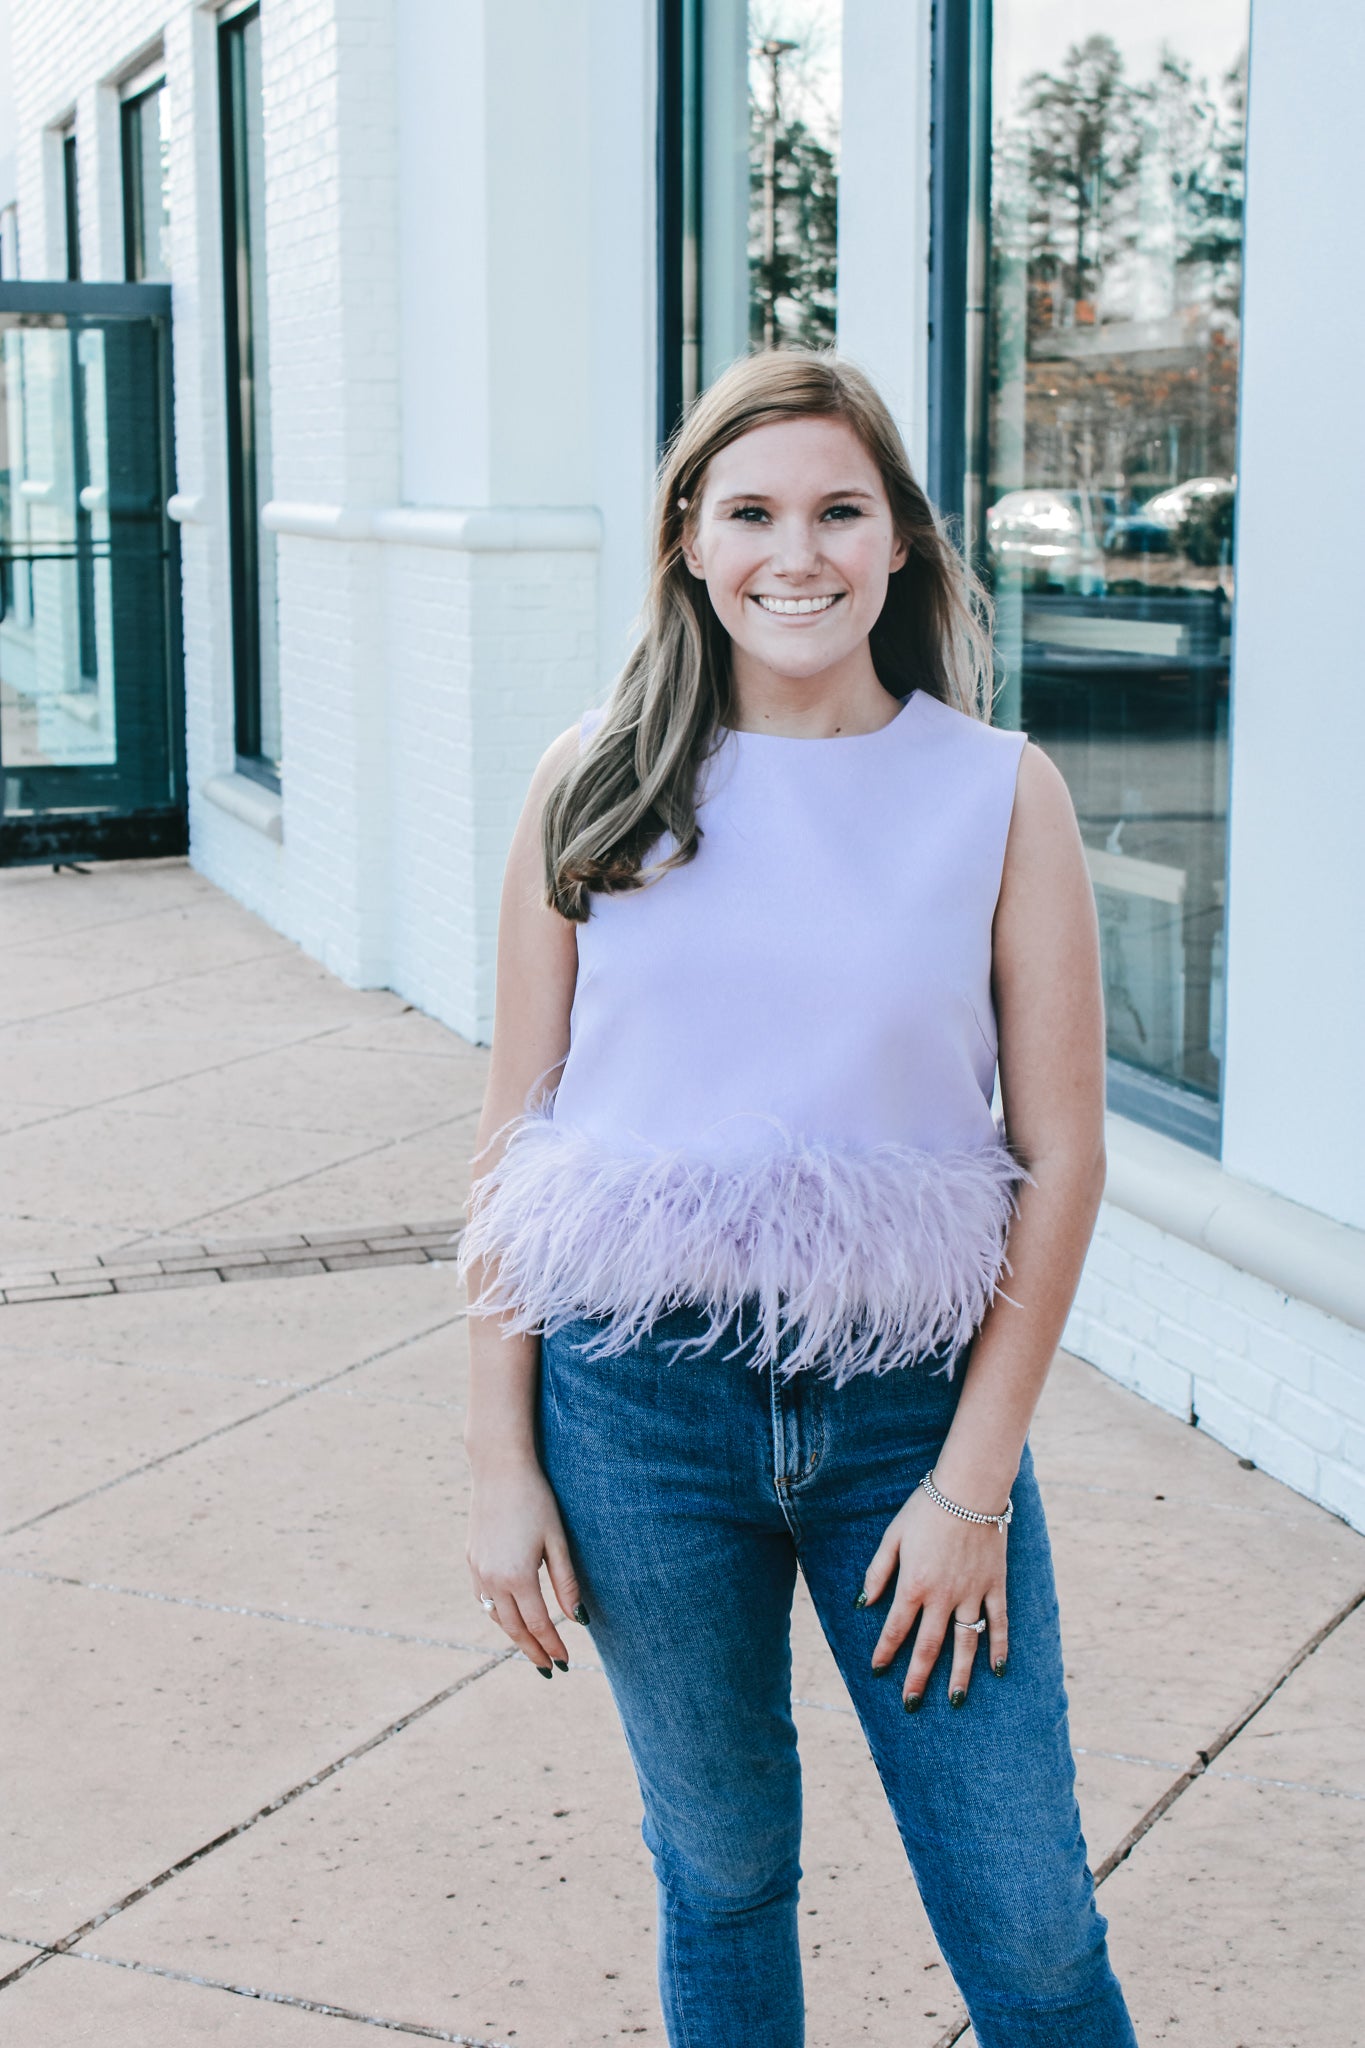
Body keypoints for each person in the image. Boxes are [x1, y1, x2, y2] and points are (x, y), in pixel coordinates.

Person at [458, 349, 1138, 2048]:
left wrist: (970, 1488)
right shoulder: (591, 781)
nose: (797, 553)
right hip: (633, 1412)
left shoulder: (996, 789)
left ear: (898, 541)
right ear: (689, 540)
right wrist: (499, 1462)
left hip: (910, 1420)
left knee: (1027, 1915)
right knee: (722, 1872)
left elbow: (1058, 1156)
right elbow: (511, 1145)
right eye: (751, 512)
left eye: (840, 511)